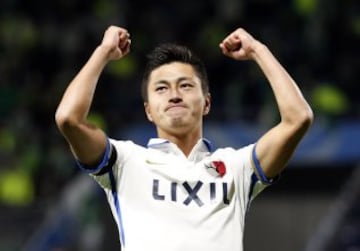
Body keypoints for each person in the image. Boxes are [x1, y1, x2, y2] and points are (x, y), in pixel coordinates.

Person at [55, 25, 313, 251]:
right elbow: (69, 118)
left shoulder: (237, 168)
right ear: (149, 111)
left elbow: (298, 118)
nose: (174, 95)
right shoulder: (125, 162)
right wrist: (103, 52)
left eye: (186, 85)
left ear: (207, 103)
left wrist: (258, 50)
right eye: (161, 88)